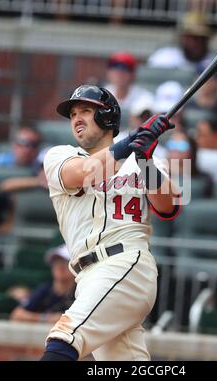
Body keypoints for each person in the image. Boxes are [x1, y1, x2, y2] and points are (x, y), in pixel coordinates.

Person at [41, 85, 181, 361]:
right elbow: (81, 173)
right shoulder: (59, 155)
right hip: (86, 276)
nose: (77, 118)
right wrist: (128, 144)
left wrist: (145, 160)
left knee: (64, 338)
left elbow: (170, 207)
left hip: (126, 263)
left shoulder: (149, 160)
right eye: (73, 114)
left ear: (107, 117)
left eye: (86, 111)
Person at [10, 244, 75, 324]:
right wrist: (44, 318)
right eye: (56, 262)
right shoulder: (45, 289)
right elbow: (17, 314)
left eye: (66, 262)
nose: (59, 266)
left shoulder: (81, 292)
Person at [147, 11, 213, 72]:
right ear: (183, 37)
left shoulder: (215, 63)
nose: (199, 43)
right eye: (194, 38)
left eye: (203, 38)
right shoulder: (164, 58)